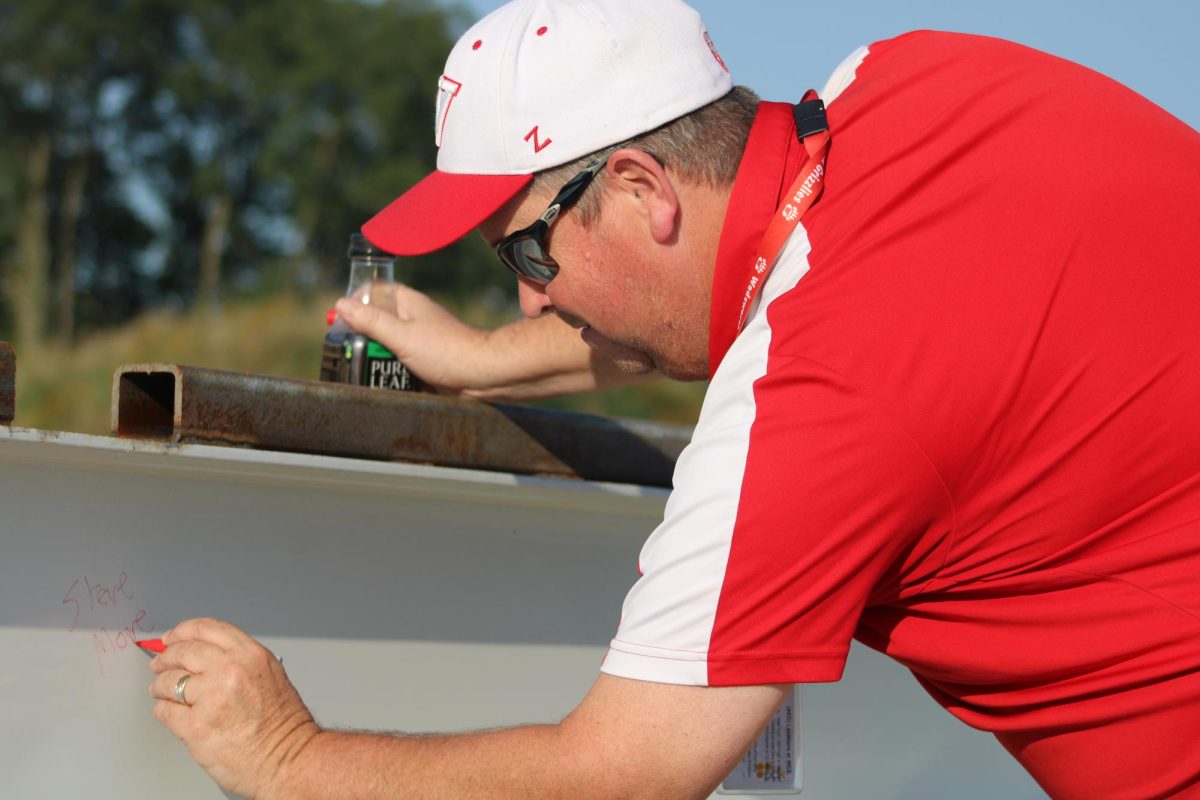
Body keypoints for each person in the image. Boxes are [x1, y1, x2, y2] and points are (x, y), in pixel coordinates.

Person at [146, 1, 1200, 798]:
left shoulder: (808, 408)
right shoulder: (929, 81)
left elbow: (624, 769)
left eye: (527, 247)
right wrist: (484, 361)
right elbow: (749, 297)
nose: (528, 292)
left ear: (645, 189)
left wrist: (289, 755)